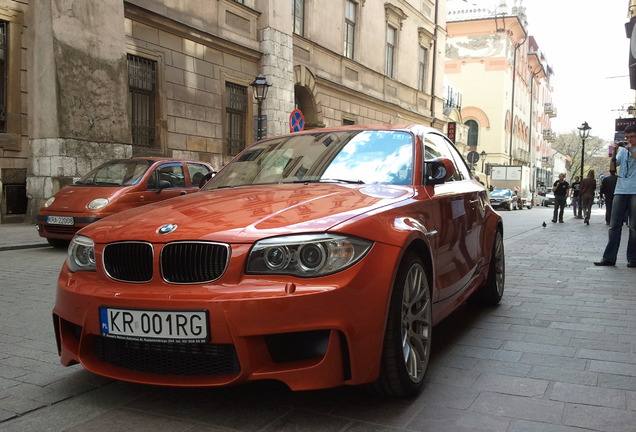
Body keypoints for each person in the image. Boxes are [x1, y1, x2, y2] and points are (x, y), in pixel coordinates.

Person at [594, 124, 636, 268]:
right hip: (620, 190)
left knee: (634, 227)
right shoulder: (623, 151)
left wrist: (631, 148)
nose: (629, 139)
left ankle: (633, 258)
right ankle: (609, 258)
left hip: (635, 190)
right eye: (627, 137)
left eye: (632, 137)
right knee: (614, 225)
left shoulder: (631, 149)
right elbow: (613, 168)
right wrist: (614, 150)